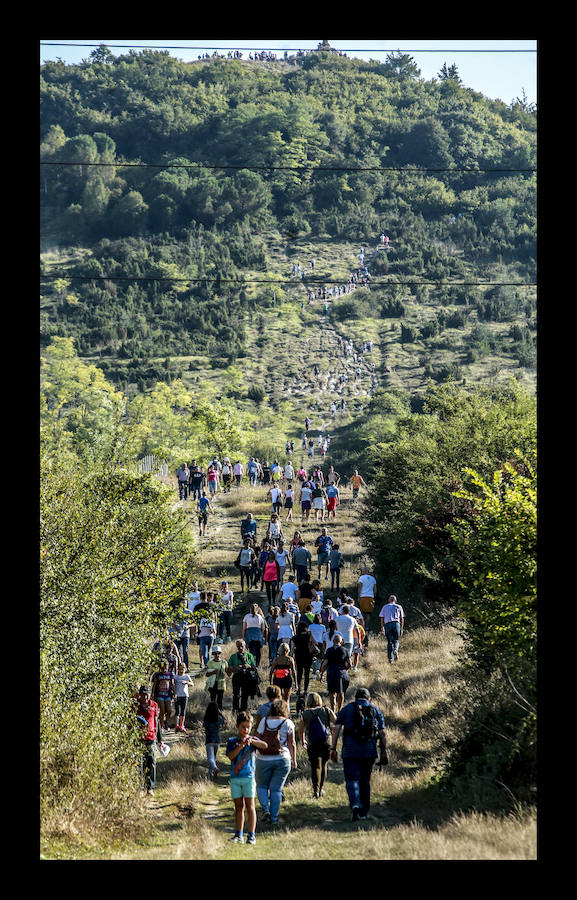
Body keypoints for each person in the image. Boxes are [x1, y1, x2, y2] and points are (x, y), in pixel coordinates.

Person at [330, 687, 388, 821]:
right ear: (369, 699)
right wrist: (384, 751)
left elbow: (336, 729)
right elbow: (382, 733)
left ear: (355, 698)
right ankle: (364, 812)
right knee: (365, 781)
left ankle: (355, 804)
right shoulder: (375, 710)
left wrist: (333, 748)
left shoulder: (346, 709)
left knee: (351, 779)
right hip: (369, 751)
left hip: (350, 751)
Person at [226, 711, 269, 844]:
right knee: (239, 807)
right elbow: (231, 756)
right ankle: (238, 834)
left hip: (249, 778)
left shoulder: (253, 740)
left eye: (248, 727)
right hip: (235, 778)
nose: (245, 730)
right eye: (243, 727)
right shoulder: (232, 741)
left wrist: (253, 742)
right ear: (237, 726)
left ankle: (251, 835)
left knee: (250, 806)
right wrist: (241, 746)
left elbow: (265, 745)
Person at [254, 698, 297, 827]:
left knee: (261, 786)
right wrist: (294, 759)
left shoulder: (264, 721)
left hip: (264, 758)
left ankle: (265, 810)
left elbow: (258, 737)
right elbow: (292, 744)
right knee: (276, 789)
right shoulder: (288, 723)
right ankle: (274, 817)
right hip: (282, 758)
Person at [297, 692, 337, 799]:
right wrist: (333, 734)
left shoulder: (305, 713)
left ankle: (315, 791)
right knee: (324, 765)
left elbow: (300, 729)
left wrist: (303, 740)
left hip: (312, 742)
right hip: (326, 741)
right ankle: (321, 789)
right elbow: (337, 723)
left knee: (315, 766)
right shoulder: (326, 710)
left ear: (308, 701)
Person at [136, 684, 162, 797]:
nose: (145, 697)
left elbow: (157, 722)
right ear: (139, 695)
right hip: (138, 739)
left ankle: (150, 788)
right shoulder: (135, 706)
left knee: (151, 763)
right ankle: (140, 787)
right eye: (143, 695)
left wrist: (160, 739)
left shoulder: (154, 705)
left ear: (150, 694)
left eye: (147, 695)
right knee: (139, 764)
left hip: (151, 738)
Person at [319, 633, 351, 713]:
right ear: (341, 642)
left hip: (332, 673)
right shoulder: (345, 650)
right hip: (342, 673)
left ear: (333, 641)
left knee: (332, 694)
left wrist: (322, 673)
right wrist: (345, 670)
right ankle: (340, 710)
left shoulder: (329, 650)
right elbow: (349, 664)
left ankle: (332, 711)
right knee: (341, 693)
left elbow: (324, 664)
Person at [227, 640, 259, 713]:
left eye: (242, 646)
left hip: (246, 677)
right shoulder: (233, 656)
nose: (240, 648)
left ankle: (243, 711)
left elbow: (254, 667)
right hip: (237, 676)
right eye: (238, 646)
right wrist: (235, 668)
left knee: (245, 695)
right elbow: (228, 670)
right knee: (236, 695)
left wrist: (248, 666)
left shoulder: (249, 655)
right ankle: (235, 710)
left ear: (245, 646)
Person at [291, 621, 320, 696]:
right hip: (308, 656)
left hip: (298, 656)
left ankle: (298, 689)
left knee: (299, 673)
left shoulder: (295, 637)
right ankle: (305, 690)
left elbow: (291, 649)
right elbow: (316, 643)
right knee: (307, 674)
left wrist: (291, 656)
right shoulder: (309, 635)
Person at [379, 594, 405, 663]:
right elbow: (402, 618)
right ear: (395, 600)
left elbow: (382, 618)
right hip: (396, 623)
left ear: (389, 600)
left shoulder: (385, 607)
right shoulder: (399, 607)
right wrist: (401, 628)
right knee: (396, 639)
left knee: (389, 641)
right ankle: (396, 650)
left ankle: (390, 659)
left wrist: (382, 627)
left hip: (388, 624)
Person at [150, 659, 175, 730]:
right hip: (159, 695)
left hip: (168, 694)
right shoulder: (157, 675)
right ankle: (161, 725)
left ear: (168, 666)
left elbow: (172, 684)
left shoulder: (170, 674)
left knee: (169, 710)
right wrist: (152, 693)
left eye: (165, 666)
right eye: (162, 667)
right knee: (162, 710)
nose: (164, 668)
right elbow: (154, 684)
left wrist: (174, 693)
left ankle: (166, 722)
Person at [204, 700, 226, 778]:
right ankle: (211, 773)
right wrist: (220, 713)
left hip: (209, 740)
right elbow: (225, 721)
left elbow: (204, 725)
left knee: (210, 758)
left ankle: (215, 768)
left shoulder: (206, 719)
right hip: (217, 740)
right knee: (214, 757)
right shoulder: (219, 719)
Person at [173, 661, 196, 732]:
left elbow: (192, 684)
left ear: (185, 669)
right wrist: (174, 694)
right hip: (177, 695)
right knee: (177, 711)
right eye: (180, 669)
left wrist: (187, 682)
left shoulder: (186, 676)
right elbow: (172, 685)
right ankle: (176, 725)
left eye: (182, 669)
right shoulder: (175, 677)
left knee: (183, 711)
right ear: (177, 669)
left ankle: (181, 725)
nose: (181, 671)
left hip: (185, 695)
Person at [204, 644, 228, 709]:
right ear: (213, 654)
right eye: (215, 653)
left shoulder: (224, 662)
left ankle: (219, 714)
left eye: (219, 653)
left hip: (221, 683)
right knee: (213, 700)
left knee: (220, 700)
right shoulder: (210, 662)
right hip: (213, 683)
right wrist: (213, 672)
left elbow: (228, 673)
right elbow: (206, 674)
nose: (217, 655)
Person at [242, 603, 266, 667]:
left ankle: (252, 664)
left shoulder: (246, 616)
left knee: (251, 651)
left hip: (249, 635)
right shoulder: (260, 617)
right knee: (258, 651)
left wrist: (243, 636)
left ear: (250, 609)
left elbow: (244, 628)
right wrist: (262, 635)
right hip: (258, 635)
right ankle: (257, 665)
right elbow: (263, 628)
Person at [357, 566, 377, 633]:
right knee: (368, 614)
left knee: (362, 613)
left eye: (362, 570)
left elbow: (359, 588)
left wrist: (358, 596)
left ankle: (362, 626)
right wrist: (373, 596)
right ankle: (367, 627)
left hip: (363, 596)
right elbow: (375, 589)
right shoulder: (373, 578)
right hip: (370, 597)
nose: (361, 572)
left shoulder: (361, 578)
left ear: (365, 571)